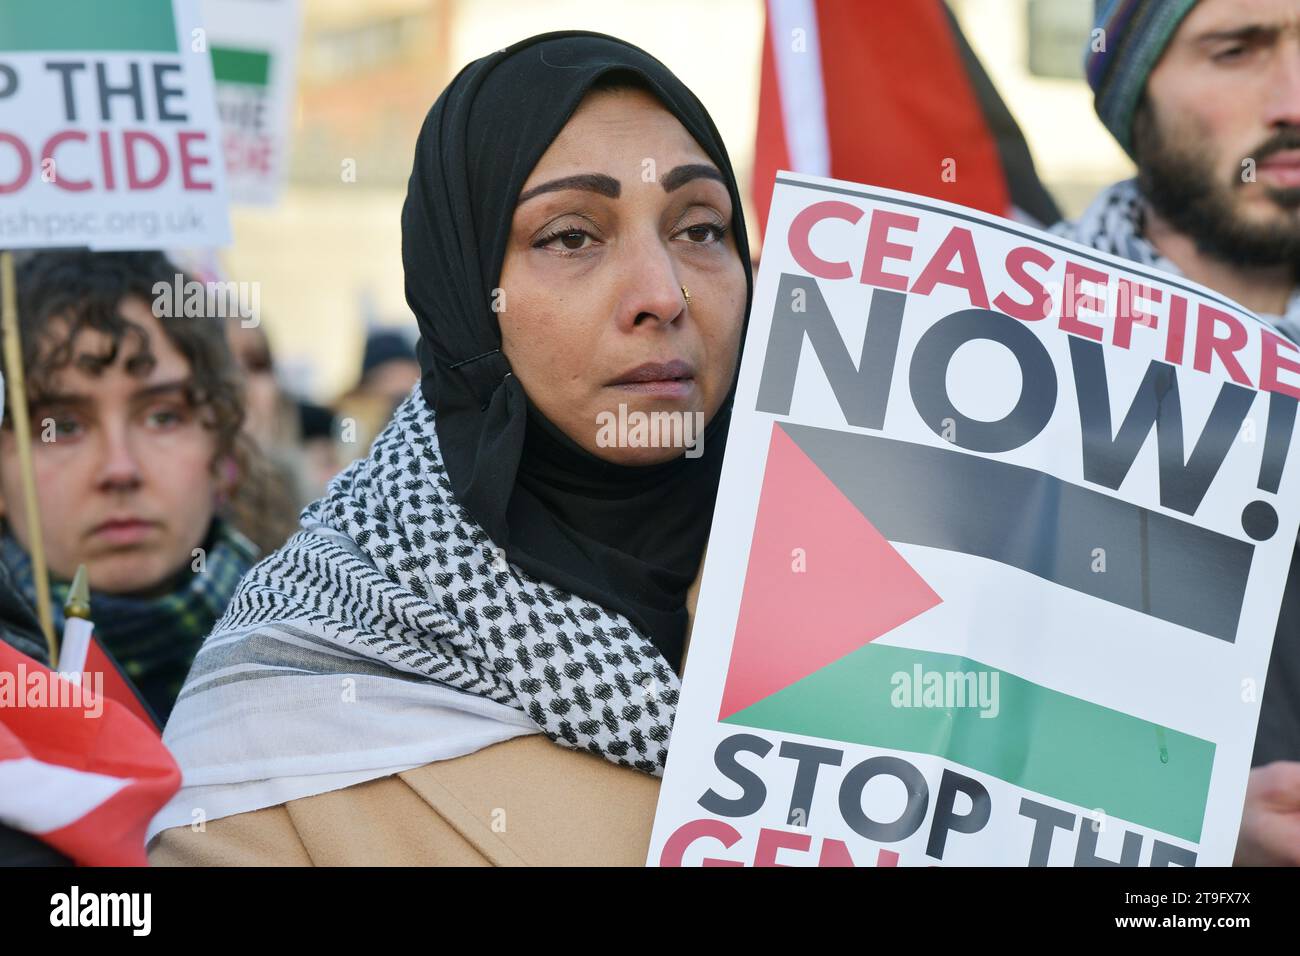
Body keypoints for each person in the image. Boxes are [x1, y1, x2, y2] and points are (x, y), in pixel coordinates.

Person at [148, 30, 751, 866]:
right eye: (572, 236)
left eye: (700, 228)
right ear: (465, 289)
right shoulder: (293, 697)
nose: (663, 293)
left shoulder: (874, 585)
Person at [1059, 0, 1300, 864]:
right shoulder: (994, 352)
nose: (1295, 98)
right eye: (1237, 50)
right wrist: (1180, 821)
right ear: (1132, 93)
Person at [0, 250, 259, 725]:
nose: (120, 469)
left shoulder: (327, 656)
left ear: (222, 451)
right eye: (62, 426)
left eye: (163, 417)